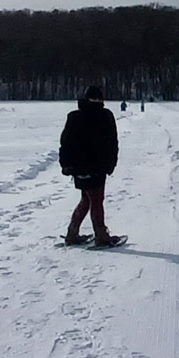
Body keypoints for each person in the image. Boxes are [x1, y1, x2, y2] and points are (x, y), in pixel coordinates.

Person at [59, 85, 122, 247]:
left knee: (87, 199)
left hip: (84, 167)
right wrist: (66, 164)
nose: (95, 101)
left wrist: (67, 165)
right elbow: (66, 143)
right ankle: (101, 236)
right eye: (93, 98)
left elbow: (65, 143)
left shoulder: (76, 117)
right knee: (96, 200)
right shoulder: (104, 116)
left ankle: (72, 234)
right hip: (94, 167)